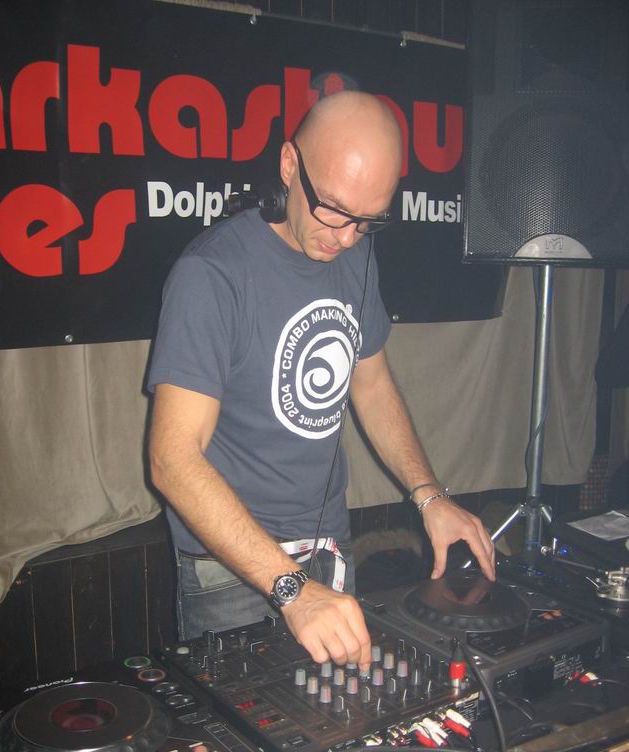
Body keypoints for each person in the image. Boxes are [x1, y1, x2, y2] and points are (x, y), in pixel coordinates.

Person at [147, 91, 495, 668]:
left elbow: (372, 385)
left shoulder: (354, 253)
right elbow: (172, 460)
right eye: (333, 209)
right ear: (290, 165)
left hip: (329, 549)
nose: (347, 237)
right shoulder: (211, 275)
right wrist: (291, 588)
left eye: (368, 219)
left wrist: (430, 495)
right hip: (232, 568)